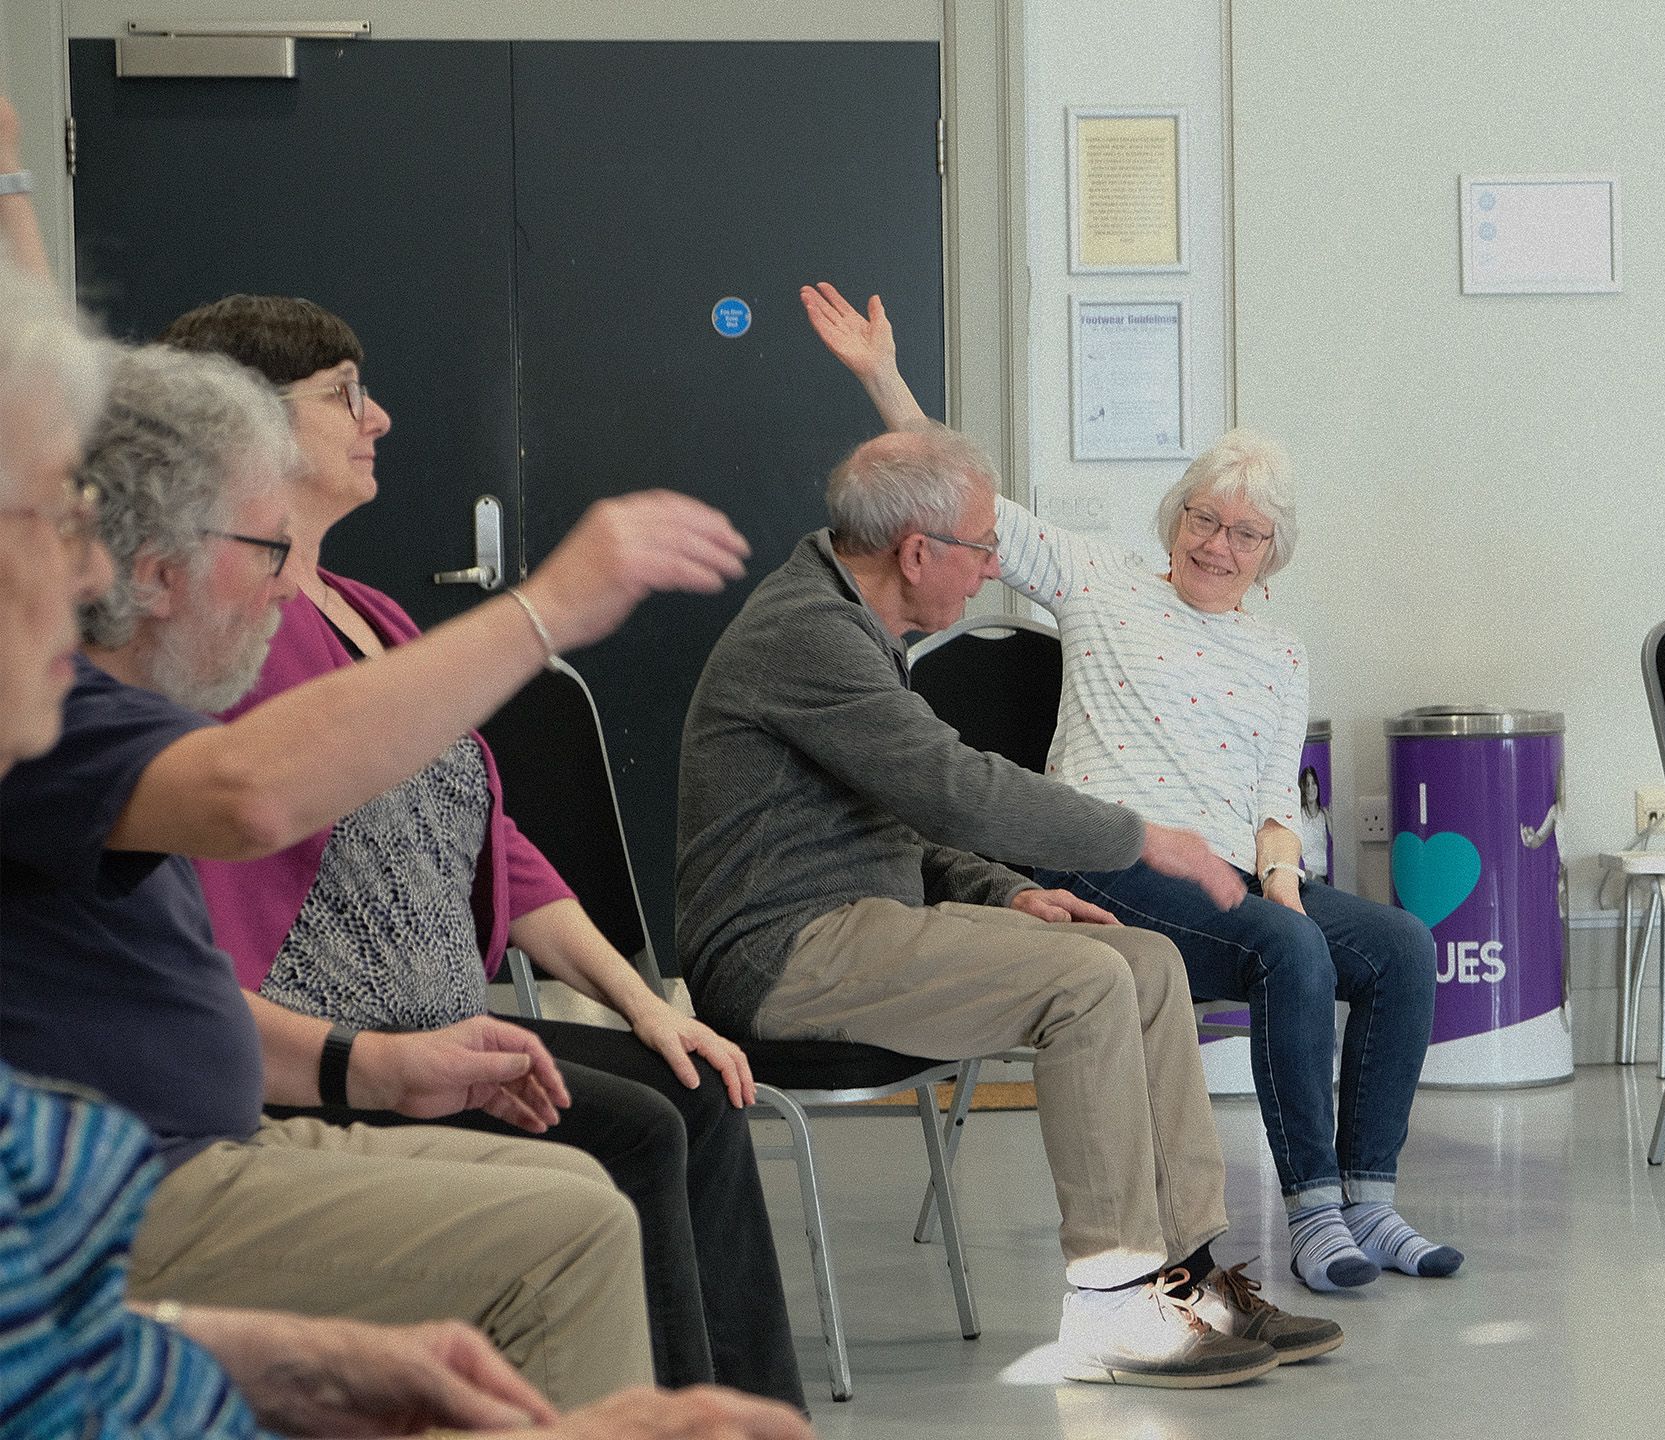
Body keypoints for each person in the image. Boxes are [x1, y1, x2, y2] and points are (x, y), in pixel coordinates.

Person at [0, 244, 808, 1440]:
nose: (81, 564)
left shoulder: (297, 633)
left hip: (267, 1102)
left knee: (625, 1144)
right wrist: (546, 609)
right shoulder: (95, 713)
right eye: (53, 517)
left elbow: (490, 835)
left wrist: (372, 1065)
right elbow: (249, 796)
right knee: (582, 1206)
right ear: (165, 558)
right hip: (191, 1154)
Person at [802, 282, 1453, 1293]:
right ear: (1175, 515)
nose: (1214, 544)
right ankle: (1313, 1212)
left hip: (1233, 874)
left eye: (1242, 533)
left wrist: (1280, 867)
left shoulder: (1279, 654)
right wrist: (883, 377)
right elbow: (972, 507)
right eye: (1202, 516)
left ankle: (1372, 1201)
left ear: (1270, 553)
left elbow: (1277, 802)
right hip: (1105, 857)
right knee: (1285, 946)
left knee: (1400, 948)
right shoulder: (1099, 578)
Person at [678, 419, 1341, 1388]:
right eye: (981, 549)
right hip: (783, 949)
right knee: (1085, 985)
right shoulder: (806, 635)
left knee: (1141, 960)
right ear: (917, 552)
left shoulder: (853, 619)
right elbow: (954, 787)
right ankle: (1112, 1305)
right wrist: (1140, 836)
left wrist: (1011, 890)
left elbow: (904, 820)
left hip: (869, 921)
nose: (991, 569)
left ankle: (1188, 1280)